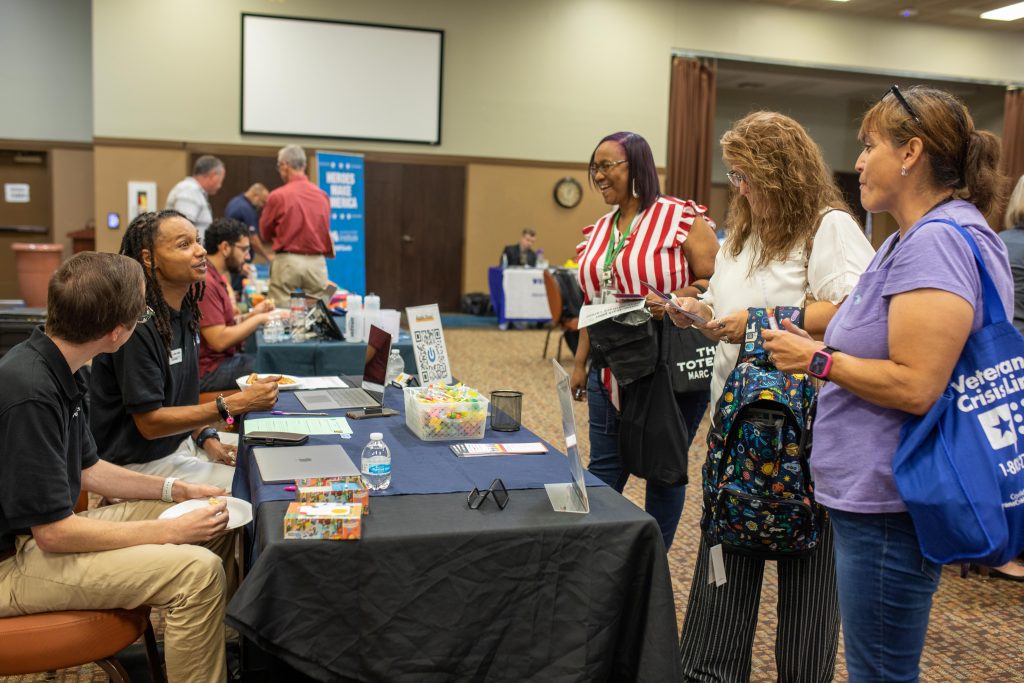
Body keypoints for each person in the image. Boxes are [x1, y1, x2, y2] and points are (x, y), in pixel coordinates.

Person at [763, 86, 1011, 680]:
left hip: (890, 497)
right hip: (880, 488)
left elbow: (916, 384)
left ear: (911, 153)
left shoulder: (937, 241)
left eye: (869, 146)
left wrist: (817, 361)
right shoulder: (918, 236)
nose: (860, 162)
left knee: (879, 672)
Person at [668, 111, 874, 682]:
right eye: (733, 176)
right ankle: (711, 674)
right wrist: (699, 311)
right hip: (736, 426)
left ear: (782, 173)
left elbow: (859, 313)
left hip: (805, 434)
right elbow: (725, 302)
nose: (741, 188)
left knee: (807, 578)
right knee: (724, 559)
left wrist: (759, 321)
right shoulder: (747, 234)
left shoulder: (828, 226)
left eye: (748, 176)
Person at [0, 252, 237, 683]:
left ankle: (202, 655)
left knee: (214, 517)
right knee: (198, 573)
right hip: (12, 564)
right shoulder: (31, 393)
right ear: (115, 334)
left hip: (39, 539)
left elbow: (89, 469)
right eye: (142, 314)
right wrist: (170, 531)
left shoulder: (59, 363)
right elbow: (53, 534)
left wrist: (176, 491)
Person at [568, 131, 719, 550]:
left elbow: (713, 283)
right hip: (610, 364)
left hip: (667, 365)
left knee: (662, 467)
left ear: (637, 166)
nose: (597, 175)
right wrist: (581, 363)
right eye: (593, 167)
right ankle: (596, 555)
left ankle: (650, 564)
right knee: (605, 464)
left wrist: (676, 300)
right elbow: (591, 301)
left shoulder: (680, 217)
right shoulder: (599, 230)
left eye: (606, 165)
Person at [90, 210, 279, 492]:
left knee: (270, 459)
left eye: (198, 241)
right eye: (184, 244)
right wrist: (235, 405)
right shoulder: (136, 326)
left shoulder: (185, 312)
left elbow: (180, 402)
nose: (201, 251)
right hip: (136, 466)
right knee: (255, 486)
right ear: (148, 258)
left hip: (182, 445)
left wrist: (208, 437)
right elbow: (150, 424)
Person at [199, 217, 277, 392]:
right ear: (225, 248)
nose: (248, 257)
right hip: (209, 371)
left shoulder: (215, 277)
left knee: (271, 359)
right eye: (244, 250)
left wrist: (252, 314)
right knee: (275, 363)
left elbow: (224, 324)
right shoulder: (206, 283)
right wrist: (260, 319)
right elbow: (219, 340)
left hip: (219, 362)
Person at [260, 145, 334, 307]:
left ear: (285, 165)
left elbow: (265, 232)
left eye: (279, 167)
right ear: (304, 166)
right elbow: (324, 229)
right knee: (319, 311)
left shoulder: (278, 196)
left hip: (288, 261)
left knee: (280, 312)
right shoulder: (322, 195)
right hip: (317, 262)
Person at [225, 182, 272, 293]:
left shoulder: (235, 202)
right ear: (255, 195)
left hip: (234, 256)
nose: (262, 206)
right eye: (262, 202)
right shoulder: (245, 208)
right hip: (239, 258)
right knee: (240, 290)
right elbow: (253, 240)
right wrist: (267, 256)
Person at [165, 155, 225, 242]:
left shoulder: (194, 191)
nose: (220, 185)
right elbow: (182, 229)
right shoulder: (189, 190)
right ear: (213, 175)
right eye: (221, 180)